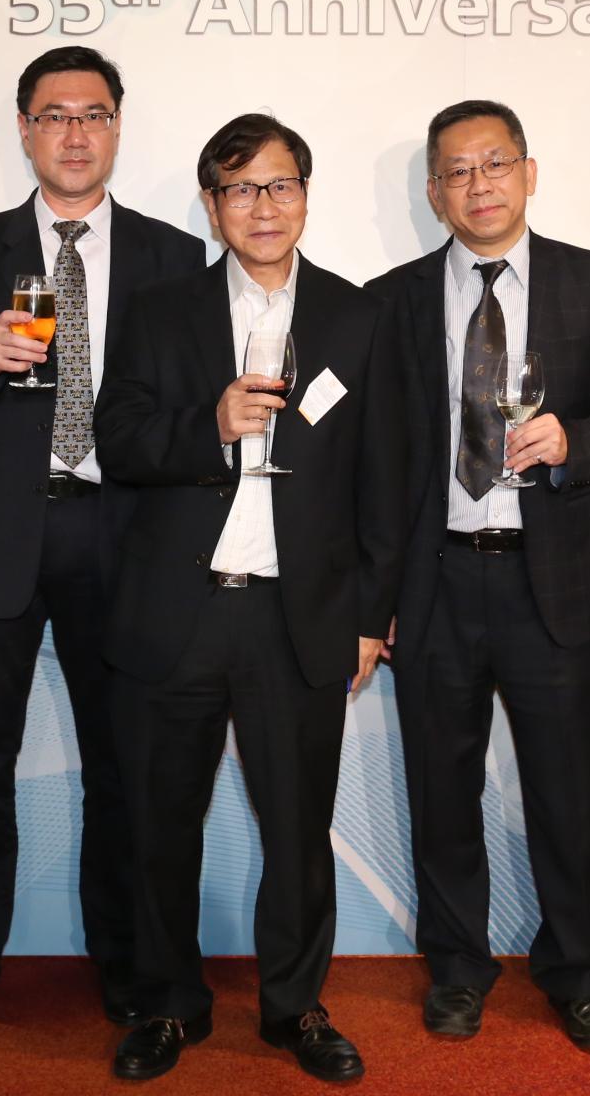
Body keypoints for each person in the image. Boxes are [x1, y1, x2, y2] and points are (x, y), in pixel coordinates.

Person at [94, 113, 407, 1083]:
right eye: (240, 188)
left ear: (305, 195)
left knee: (299, 830)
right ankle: (166, 1003)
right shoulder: (160, 311)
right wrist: (211, 424)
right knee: (159, 826)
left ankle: (294, 1006)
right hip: (177, 610)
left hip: (298, 617)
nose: (262, 206)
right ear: (212, 203)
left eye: (279, 185)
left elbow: (386, 480)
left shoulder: (358, 316)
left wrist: (370, 617)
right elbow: (118, 441)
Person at [0, 46, 204, 1026]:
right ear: (25, 129)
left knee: (121, 768)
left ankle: (121, 957)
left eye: (94, 114)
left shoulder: (171, 255)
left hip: (124, 539)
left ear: (117, 127)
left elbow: (184, 408)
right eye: (55, 115)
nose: (75, 133)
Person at [366, 99, 590, 1050]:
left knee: (569, 793)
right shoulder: (393, 298)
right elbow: (376, 460)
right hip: (433, 578)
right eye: (457, 170)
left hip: (548, 577)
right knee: (442, 790)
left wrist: (575, 443)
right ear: (433, 191)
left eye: (494, 164)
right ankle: (456, 967)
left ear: (529, 172)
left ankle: (582, 974)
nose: (477, 184)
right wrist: (375, 597)